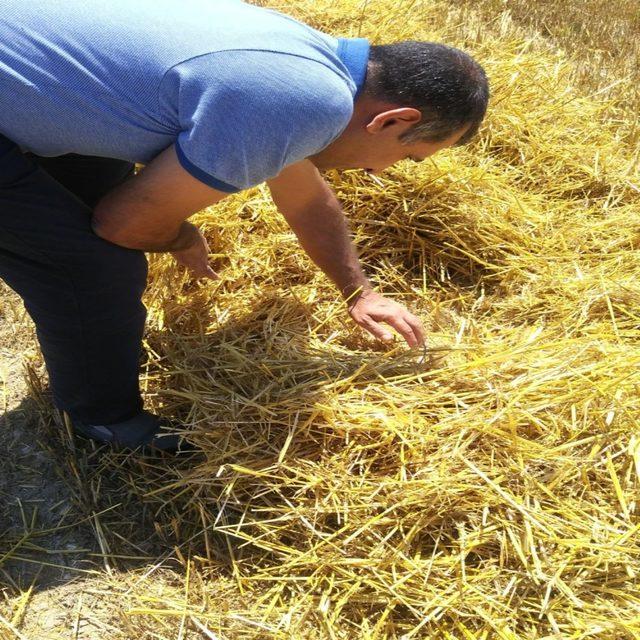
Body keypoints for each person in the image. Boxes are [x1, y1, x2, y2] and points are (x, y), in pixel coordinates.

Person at [0, 0, 489, 452]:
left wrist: (358, 291)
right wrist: (182, 235)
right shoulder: (306, 104)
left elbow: (303, 197)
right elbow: (121, 225)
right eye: (409, 154)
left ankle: (91, 353)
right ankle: (100, 419)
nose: (384, 172)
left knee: (97, 182)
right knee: (94, 268)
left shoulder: (309, 62)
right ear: (391, 120)